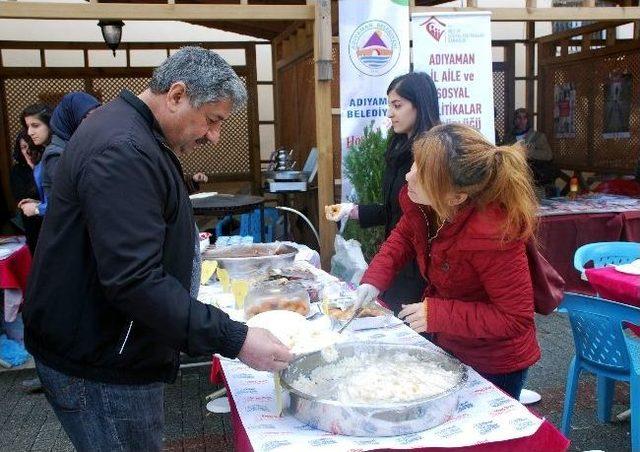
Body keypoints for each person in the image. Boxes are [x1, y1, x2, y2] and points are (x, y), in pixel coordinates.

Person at [23, 46, 293, 450]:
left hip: (105, 347)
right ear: (177, 94)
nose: (214, 136)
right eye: (212, 121)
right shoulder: (123, 149)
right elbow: (134, 281)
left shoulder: (133, 131)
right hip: (100, 362)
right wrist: (234, 338)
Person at [356, 123, 541, 399]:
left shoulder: (495, 235)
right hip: (449, 344)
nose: (409, 176)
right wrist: (373, 281)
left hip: (494, 362)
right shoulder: (428, 205)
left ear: (457, 196)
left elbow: (515, 318)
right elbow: (405, 237)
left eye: (422, 174)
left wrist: (438, 314)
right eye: (415, 165)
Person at [326, 72, 440, 314]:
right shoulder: (399, 146)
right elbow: (395, 211)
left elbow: (427, 219)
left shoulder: (435, 154)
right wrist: (353, 211)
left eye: (397, 105)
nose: (390, 113)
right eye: (389, 105)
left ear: (419, 104)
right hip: (395, 256)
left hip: (421, 266)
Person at [18, 92, 101, 219]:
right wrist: (41, 204)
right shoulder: (57, 151)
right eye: (28, 127)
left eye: (35, 125)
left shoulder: (56, 153)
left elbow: (67, 201)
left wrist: (37, 209)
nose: (30, 132)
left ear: (49, 123)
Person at [503, 108, 557, 194]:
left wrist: (529, 152)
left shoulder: (538, 136)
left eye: (524, 118)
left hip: (534, 180)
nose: (522, 120)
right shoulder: (507, 138)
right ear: (514, 120)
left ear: (528, 120)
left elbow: (548, 155)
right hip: (514, 180)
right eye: (519, 117)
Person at [10, 131, 43, 254]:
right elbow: (22, 200)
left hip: (52, 219)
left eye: (30, 146)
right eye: (23, 147)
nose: (28, 151)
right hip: (32, 225)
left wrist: (37, 169)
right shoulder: (17, 170)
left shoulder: (47, 164)